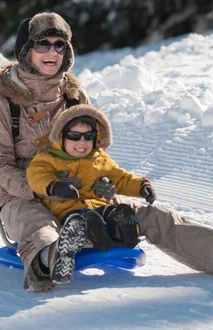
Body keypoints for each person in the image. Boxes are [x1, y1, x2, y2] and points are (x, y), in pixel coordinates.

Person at [0, 12, 213, 292]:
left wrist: (114, 185)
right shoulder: (0, 106)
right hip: (23, 195)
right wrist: (42, 187)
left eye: (59, 45)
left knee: (150, 216)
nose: (52, 52)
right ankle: (49, 261)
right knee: (37, 224)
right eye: (42, 44)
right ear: (25, 50)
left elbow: (93, 152)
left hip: (79, 189)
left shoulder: (75, 98)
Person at [26, 105, 157, 282]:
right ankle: (79, 234)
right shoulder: (48, 159)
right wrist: (56, 187)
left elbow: (121, 178)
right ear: (61, 137)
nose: (82, 143)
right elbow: (36, 176)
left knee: (111, 212)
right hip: (67, 209)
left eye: (88, 137)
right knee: (81, 218)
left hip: (98, 205)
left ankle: (121, 227)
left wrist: (141, 186)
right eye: (74, 136)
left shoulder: (100, 158)